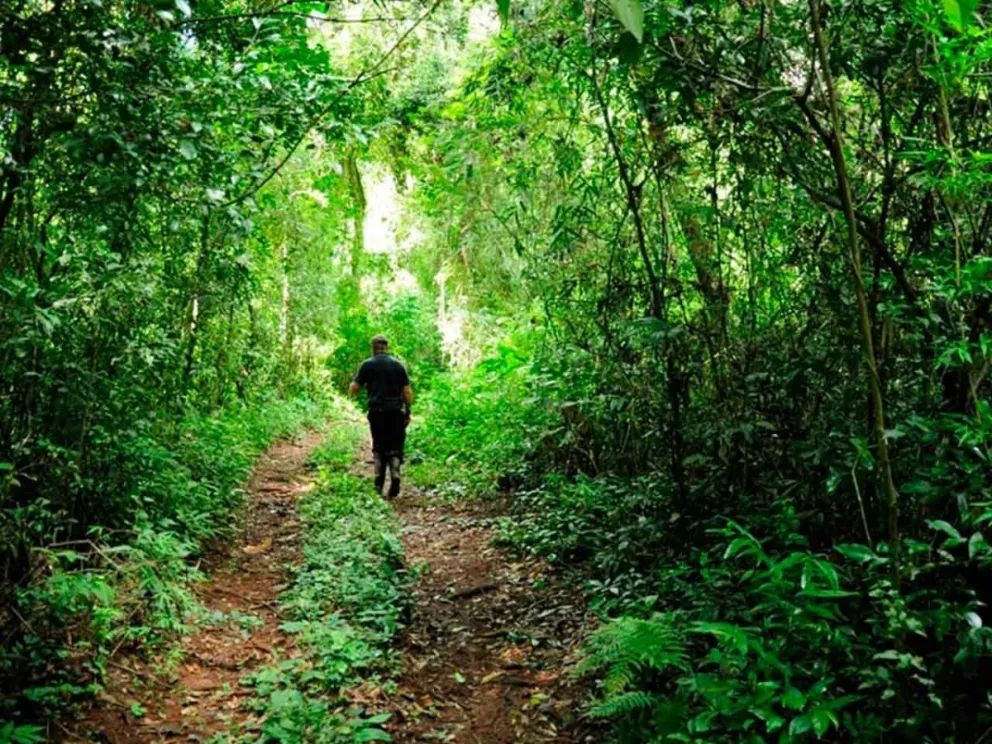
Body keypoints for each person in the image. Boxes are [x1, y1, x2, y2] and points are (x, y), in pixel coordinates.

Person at [349, 335, 413, 498]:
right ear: (387, 346)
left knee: (379, 445)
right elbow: (407, 391)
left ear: (373, 347)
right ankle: (396, 474)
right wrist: (408, 410)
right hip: (395, 411)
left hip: (377, 411)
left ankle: (378, 481)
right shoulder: (398, 365)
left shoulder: (367, 365)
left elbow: (354, 389)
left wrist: (355, 385)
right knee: (395, 445)